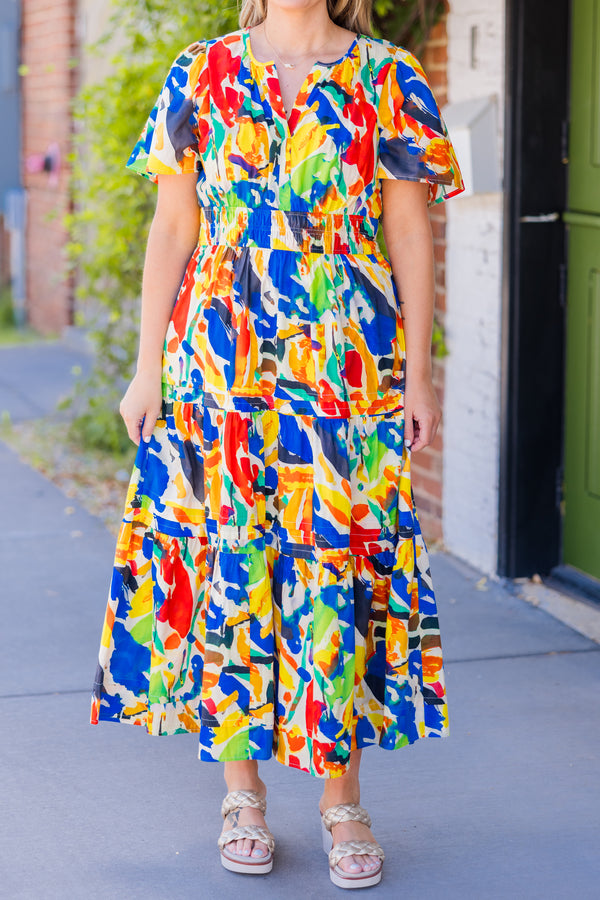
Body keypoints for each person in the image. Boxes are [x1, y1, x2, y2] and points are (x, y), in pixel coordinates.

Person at [91, 0, 464, 889]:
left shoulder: (389, 77)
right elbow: (173, 226)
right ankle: (242, 795)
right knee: (232, 559)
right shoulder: (201, 71)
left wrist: (417, 374)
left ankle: (343, 801)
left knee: (339, 564)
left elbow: (409, 230)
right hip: (218, 367)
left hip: (346, 368)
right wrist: (146, 369)